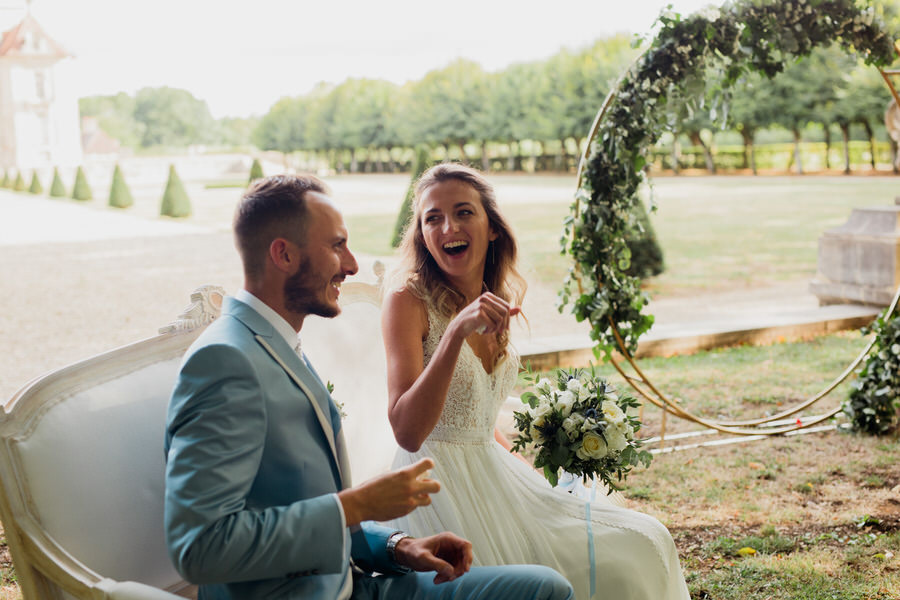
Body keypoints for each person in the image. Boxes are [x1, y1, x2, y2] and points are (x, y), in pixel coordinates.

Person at [164, 174, 575, 600]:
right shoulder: (225, 361)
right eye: (337, 245)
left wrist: (399, 546)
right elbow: (200, 548)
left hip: (361, 582)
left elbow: (309, 509)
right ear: (283, 254)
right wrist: (356, 505)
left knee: (545, 586)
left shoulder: (277, 343)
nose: (352, 264)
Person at [382, 163, 691, 600]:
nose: (448, 226)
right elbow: (408, 431)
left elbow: (477, 421)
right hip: (436, 485)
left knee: (645, 536)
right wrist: (454, 334)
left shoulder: (498, 299)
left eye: (464, 212)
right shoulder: (407, 299)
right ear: (421, 234)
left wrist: (537, 482)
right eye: (432, 218)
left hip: (492, 472)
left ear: (492, 228)